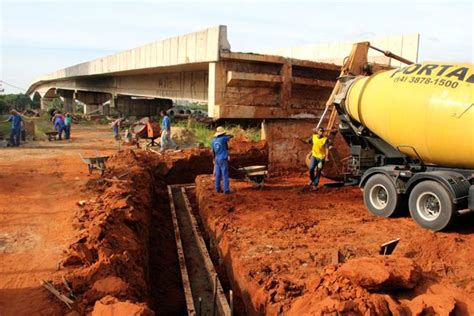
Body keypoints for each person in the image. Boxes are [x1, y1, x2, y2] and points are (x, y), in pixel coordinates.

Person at [211, 126, 233, 194]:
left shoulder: (213, 141)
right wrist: (226, 134)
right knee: (225, 174)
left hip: (217, 159)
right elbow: (231, 136)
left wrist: (214, 159)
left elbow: (213, 152)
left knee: (217, 174)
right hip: (223, 158)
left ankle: (217, 188)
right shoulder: (223, 138)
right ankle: (226, 190)